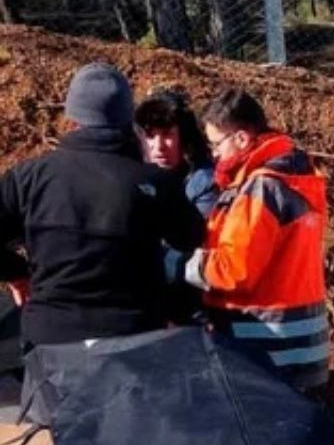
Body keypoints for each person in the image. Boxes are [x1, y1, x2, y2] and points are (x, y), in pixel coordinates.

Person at [0, 62, 203, 386]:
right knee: (130, 433)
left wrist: (16, 272)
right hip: (133, 340)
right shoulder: (151, 182)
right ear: (127, 120)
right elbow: (192, 236)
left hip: (51, 342)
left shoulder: (30, 177)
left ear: (71, 117)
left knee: (69, 432)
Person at [185, 88, 329, 390]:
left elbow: (234, 270)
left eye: (216, 144)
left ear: (241, 138)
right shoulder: (300, 176)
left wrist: (183, 264)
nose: (213, 154)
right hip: (302, 348)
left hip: (265, 348)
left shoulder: (261, 188)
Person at [135, 88, 218, 320]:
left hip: (193, 311)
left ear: (185, 135)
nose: (158, 147)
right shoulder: (133, 181)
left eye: (168, 134)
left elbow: (195, 254)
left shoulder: (206, 183)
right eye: (150, 136)